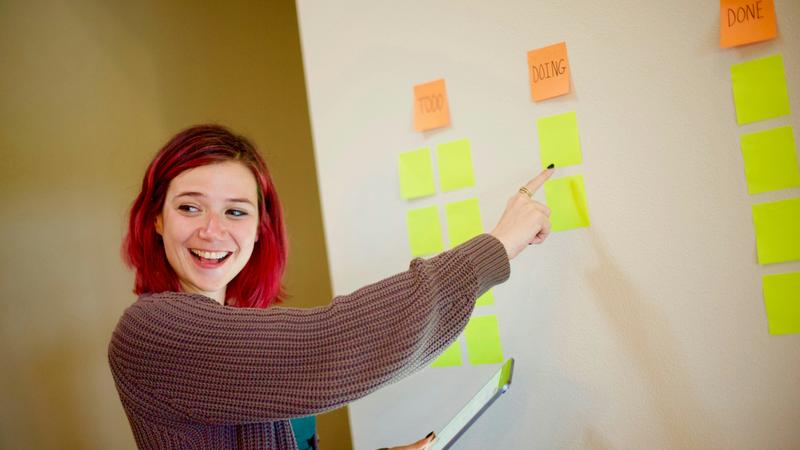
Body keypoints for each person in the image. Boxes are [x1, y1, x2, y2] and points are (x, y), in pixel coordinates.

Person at [108, 124, 553, 450]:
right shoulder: (151, 331)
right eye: (190, 207)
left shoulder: (239, 324)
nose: (212, 230)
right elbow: (329, 344)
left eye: (236, 212)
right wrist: (496, 247)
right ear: (157, 218)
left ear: (261, 228)